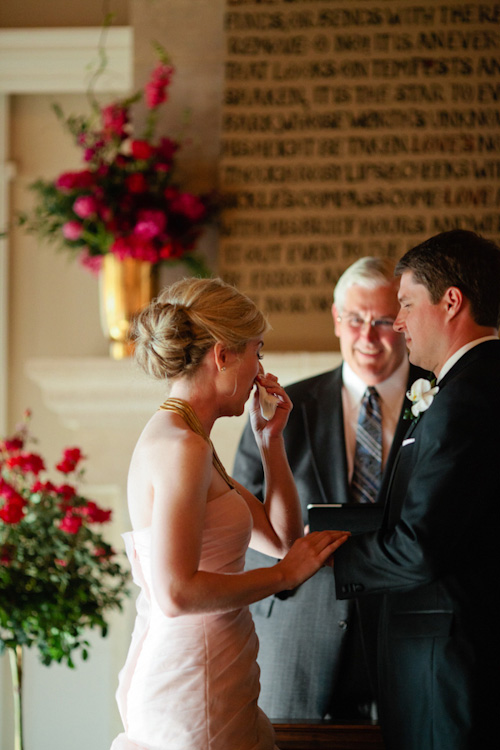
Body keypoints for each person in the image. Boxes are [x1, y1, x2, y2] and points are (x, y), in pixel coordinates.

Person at [110, 277, 349, 750]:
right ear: (223, 355)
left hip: (214, 666)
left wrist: (271, 443)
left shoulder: (192, 440)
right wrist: (283, 577)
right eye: (257, 351)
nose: (262, 368)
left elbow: (280, 538)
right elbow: (177, 592)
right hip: (195, 678)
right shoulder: (183, 449)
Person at [233, 257, 426, 720]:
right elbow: (237, 521)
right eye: (356, 320)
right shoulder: (283, 407)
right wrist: (291, 545)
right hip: (301, 632)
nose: (369, 336)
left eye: (383, 321)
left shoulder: (442, 398)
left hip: (413, 627)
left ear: (401, 324)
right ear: (337, 320)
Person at [333, 230, 500, 750]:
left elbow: (423, 545)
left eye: (405, 304)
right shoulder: (471, 384)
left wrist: (328, 554)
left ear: (452, 301)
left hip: (450, 668)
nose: (397, 322)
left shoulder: (466, 396)